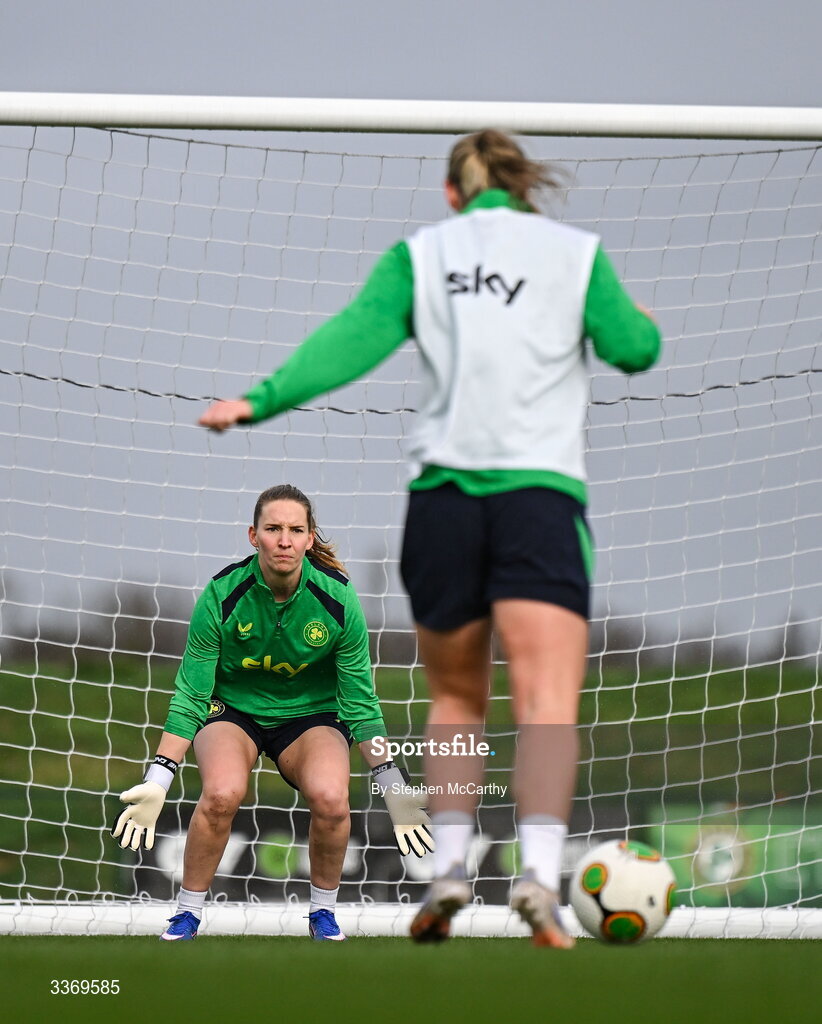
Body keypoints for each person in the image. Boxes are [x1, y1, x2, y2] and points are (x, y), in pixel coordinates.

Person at [196, 130, 662, 948]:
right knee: (547, 700)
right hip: (537, 500)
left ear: (452, 193)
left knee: (457, 698)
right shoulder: (576, 254)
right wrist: (642, 325)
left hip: (443, 500)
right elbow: (635, 348)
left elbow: (350, 341)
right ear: (524, 189)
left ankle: (450, 868)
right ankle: (539, 882)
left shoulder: (422, 254)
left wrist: (260, 401)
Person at [111, 483, 433, 941]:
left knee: (332, 798)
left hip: (311, 716)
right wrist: (159, 776)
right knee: (222, 793)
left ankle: (322, 915)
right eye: (273, 528)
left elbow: (361, 702)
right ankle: (187, 914)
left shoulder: (338, 601)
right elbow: (190, 695)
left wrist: (393, 786)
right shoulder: (222, 595)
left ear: (309, 538)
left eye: (295, 530)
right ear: (253, 535)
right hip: (233, 713)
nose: (284, 539)